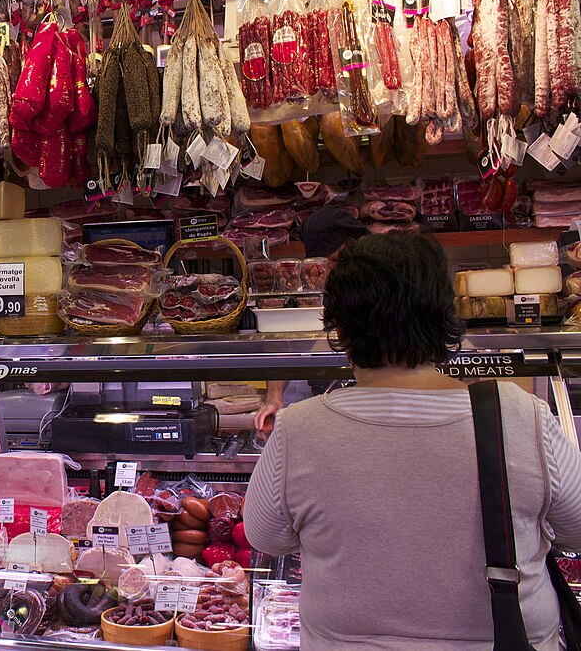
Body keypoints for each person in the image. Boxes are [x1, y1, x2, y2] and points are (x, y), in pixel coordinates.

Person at [244, 233, 581, 650]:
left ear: (339, 327)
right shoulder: (520, 415)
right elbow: (576, 530)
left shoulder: (299, 429)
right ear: (445, 316)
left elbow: (266, 538)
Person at [253, 206, 369, 432]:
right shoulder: (306, 293)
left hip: (369, 407)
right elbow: (285, 349)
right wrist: (274, 397)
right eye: (321, 264)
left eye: (336, 260)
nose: (328, 271)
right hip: (321, 404)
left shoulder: (377, 291)